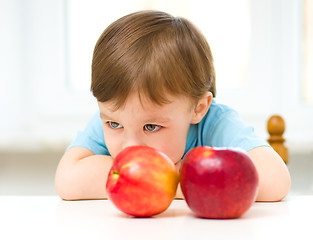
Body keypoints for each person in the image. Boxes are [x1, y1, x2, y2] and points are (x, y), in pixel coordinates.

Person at [55, 10, 290, 201]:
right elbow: (67, 180)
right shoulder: (117, 116)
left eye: (151, 127)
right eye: (114, 124)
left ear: (198, 108)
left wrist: (170, 181)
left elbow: (275, 180)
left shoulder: (217, 123)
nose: (130, 148)